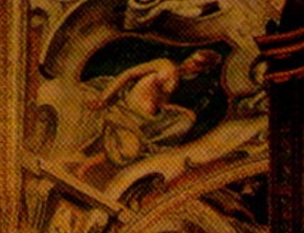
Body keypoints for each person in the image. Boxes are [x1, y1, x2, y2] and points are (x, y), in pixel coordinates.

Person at [73, 49, 223, 180]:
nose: (188, 63)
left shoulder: (176, 81)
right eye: (191, 58)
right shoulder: (164, 64)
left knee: (133, 151)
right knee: (129, 150)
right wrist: (103, 98)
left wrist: (181, 110)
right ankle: (83, 166)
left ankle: (85, 165)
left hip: (141, 121)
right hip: (125, 110)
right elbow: (128, 74)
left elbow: (161, 104)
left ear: (203, 69)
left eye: (195, 63)